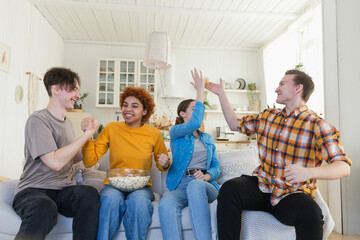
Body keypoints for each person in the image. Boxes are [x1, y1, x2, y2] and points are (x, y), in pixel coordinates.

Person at [206, 69, 352, 240]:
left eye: (282, 84)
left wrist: (310, 172)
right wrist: (221, 94)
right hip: (262, 185)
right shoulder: (268, 116)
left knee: (311, 213)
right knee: (230, 188)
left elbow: (343, 167)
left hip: (291, 193)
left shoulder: (317, 125)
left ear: (298, 88)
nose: (276, 89)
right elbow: (234, 124)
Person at [13, 67, 100, 240]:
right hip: (34, 190)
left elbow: (72, 158)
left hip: (64, 190)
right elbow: (55, 162)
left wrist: (90, 136)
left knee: (89, 194)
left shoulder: (67, 123)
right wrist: (85, 135)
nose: (77, 95)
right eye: (73, 89)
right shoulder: (37, 120)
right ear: (55, 89)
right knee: (45, 207)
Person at [81, 86, 170, 240]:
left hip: (141, 187)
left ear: (144, 111)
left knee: (139, 202)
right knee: (109, 199)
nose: (128, 109)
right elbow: (90, 162)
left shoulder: (154, 134)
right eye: (125, 105)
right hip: (113, 185)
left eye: (134, 106)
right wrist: (87, 136)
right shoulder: (111, 128)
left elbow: (162, 164)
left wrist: (165, 162)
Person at [159, 68, 220, 240]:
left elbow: (216, 166)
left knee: (195, 185)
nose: (199, 111)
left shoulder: (207, 138)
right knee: (166, 203)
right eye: (194, 108)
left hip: (206, 186)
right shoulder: (176, 132)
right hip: (181, 186)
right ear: (182, 114)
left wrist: (207, 176)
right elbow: (195, 122)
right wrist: (200, 91)